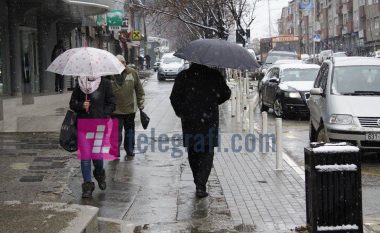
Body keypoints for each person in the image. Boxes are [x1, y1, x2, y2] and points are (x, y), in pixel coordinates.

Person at [170, 63, 231, 198]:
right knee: (207, 154)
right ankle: (201, 184)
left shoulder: (183, 76)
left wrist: (181, 112)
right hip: (209, 121)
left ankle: (198, 180)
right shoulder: (214, 75)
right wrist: (214, 101)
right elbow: (226, 93)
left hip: (190, 121)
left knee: (193, 153)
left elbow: (174, 98)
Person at [69, 76, 116, 198]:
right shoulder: (80, 84)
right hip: (83, 126)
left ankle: (99, 173)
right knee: (85, 157)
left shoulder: (105, 84)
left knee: (97, 156)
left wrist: (104, 115)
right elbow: (72, 103)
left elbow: (112, 103)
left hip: (99, 126)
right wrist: (81, 105)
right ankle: (87, 186)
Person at [110, 55, 145, 159]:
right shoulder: (109, 74)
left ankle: (129, 150)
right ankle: (115, 151)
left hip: (130, 109)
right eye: (119, 63)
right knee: (116, 132)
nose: (121, 65)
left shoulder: (132, 72)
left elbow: (139, 89)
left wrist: (141, 103)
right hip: (115, 110)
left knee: (129, 131)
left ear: (125, 63)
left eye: (123, 63)